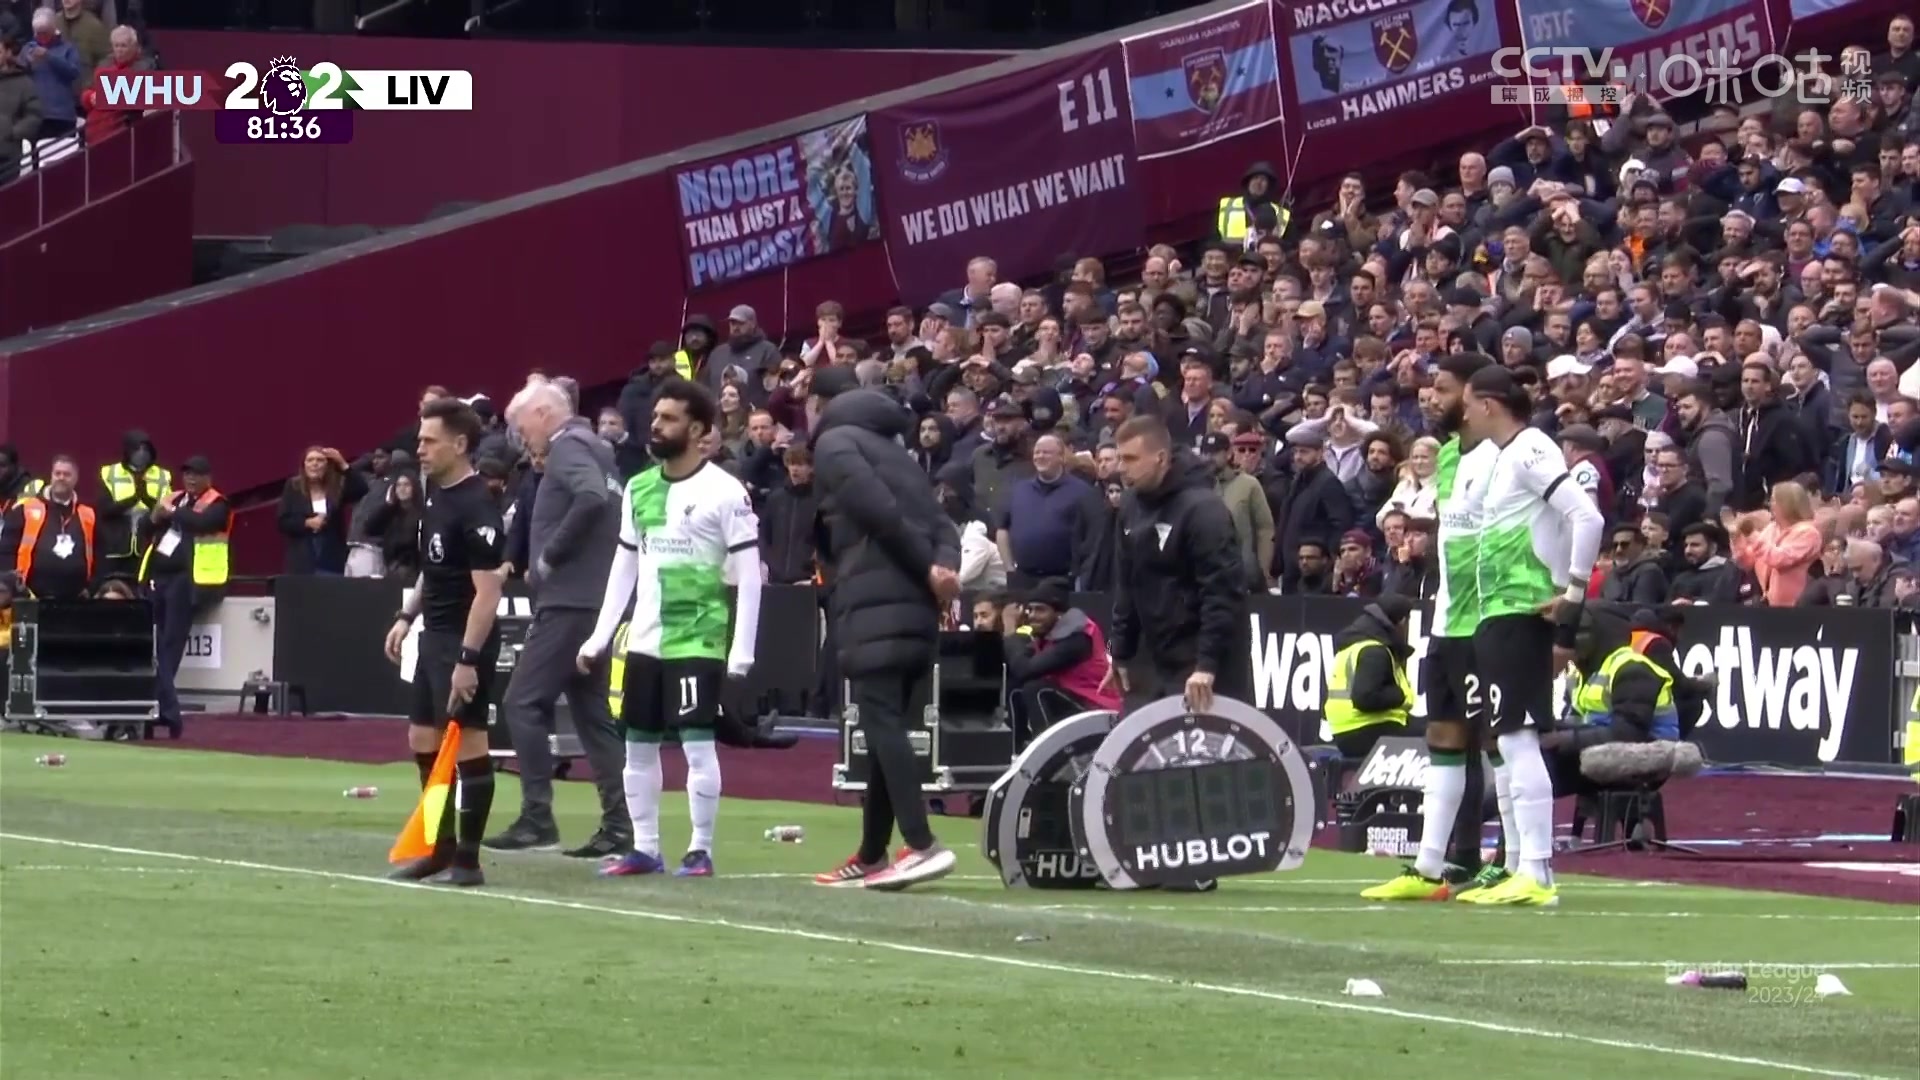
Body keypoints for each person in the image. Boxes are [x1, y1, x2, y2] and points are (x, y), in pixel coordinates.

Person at [579, 378, 763, 880]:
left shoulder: (725, 492)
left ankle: (699, 850)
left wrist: (741, 652)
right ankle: (645, 849)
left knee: (697, 743)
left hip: (698, 636)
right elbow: (624, 565)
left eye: (668, 418)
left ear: (698, 430)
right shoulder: (639, 488)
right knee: (637, 744)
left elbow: (749, 576)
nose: (655, 425)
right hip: (646, 638)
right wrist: (600, 636)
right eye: (656, 416)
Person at [805, 366, 963, 891]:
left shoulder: (835, 444)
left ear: (822, 403)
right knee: (883, 728)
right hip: (916, 609)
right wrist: (942, 571)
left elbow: (877, 511)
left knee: (879, 720)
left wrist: (926, 570)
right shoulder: (901, 456)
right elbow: (942, 526)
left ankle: (921, 843)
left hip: (875, 600)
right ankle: (872, 854)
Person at [1459, 364, 1603, 906]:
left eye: (1469, 404)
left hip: (1522, 608)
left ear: (1489, 404)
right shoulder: (1503, 457)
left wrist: (1573, 588)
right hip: (1498, 610)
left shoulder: (1530, 448)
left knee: (1519, 740)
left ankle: (1538, 872)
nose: (1465, 415)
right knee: (1507, 740)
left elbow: (1586, 517)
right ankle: (1519, 865)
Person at [1363, 352, 1501, 904]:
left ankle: (1511, 864)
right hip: (1447, 615)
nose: (1430, 398)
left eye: (1442, 389)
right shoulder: (1446, 456)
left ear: (1471, 395)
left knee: (1496, 741)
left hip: (1488, 619)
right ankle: (1433, 866)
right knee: (1443, 737)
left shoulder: (1504, 455)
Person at [485, 377, 633, 860]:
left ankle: (537, 817)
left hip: (569, 601)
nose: (522, 437)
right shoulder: (599, 449)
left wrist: (549, 556)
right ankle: (620, 825)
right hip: (595, 599)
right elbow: (600, 500)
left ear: (543, 414)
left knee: (522, 703)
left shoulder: (569, 447)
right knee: (593, 716)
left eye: (521, 425)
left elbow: (589, 498)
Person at [379, 398, 506, 887]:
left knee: (468, 744)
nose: (420, 449)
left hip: (464, 640)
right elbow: (433, 570)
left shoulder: (477, 505)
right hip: (432, 635)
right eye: (419, 440)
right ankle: (440, 845)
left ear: (460, 444)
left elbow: (487, 593)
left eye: (429, 441)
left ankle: (468, 861)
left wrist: (468, 660)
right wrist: (406, 616)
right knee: (422, 740)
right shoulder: (435, 495)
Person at [1102, 416, 1250, 715]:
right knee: (1137, 738)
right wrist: (1120, 652)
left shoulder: (1203, 510)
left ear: (1160, 458)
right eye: (1120, 458)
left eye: (1130, 459)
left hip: (1198, 659)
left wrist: (1207, 664)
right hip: (1152, 657)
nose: (1121, 468)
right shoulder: (1129, 506)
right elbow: (1126, 586)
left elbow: (1222, 593)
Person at [140, 456, 231, 741]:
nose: (190, 479)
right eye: (187, 473)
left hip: (188, 581)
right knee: (153, 643)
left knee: (170, 644)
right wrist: (156, 516)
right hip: (158, 577)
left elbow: (202, 523)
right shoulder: (174, 498)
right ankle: (164, 709)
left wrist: (171, 513)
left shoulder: (218, 503)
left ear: (208, 477)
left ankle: (161, 707)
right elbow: (145, 526)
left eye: (196, 474)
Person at [998, 578, 1121, 748]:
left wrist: (1012, 632)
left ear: (1059, 614)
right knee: (1015, 687)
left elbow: (1025, 669)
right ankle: (1016, 750)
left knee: (1036, 688)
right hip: (1074, 703)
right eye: (1030, 610)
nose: (1032, 615)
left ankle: (1048, 752)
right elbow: (1018, 663)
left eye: (1040, 610)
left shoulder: (1078, 637)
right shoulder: (1047, 634)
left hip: (1098, 711)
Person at [1324, 595, 1416, 760]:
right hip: (1367, 729)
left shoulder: (1355, 646)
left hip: (1348, 730)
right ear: (1402, 621)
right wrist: (1399, 695)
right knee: (1434, 740)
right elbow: (1365, 697)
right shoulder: (1374, 651)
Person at [0, 455, 94, 601]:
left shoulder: (87, 514)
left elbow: (99, 553)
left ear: (76, 479)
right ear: (51, 476)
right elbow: (7, 549)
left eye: (67, 474)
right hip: (29, 597)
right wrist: (11, 583)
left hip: (76, 599)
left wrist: (91, 587)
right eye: (57, 473)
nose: (61, 478)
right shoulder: (26, 508)